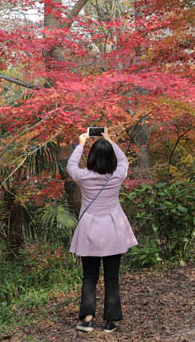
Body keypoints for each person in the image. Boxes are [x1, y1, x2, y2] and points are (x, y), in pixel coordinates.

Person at [67, 130, 138, 333]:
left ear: (91, 158)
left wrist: (81, 144)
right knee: (112, 277)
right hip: (113, 231)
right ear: (110, 159)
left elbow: (71, 166)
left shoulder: (83, 177)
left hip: (89, 232)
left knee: (89, 277)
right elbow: (124, 160)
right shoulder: (117, 176)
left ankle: (87, 319)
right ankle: (110, 320)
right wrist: (108, 139)